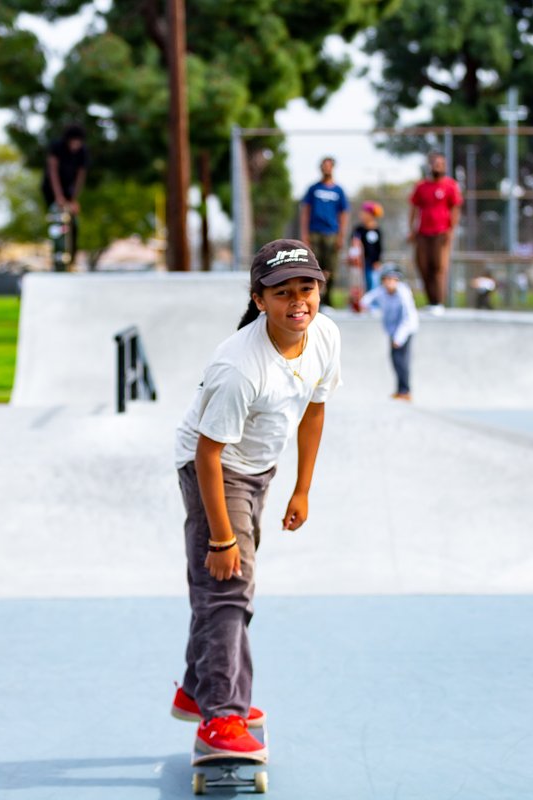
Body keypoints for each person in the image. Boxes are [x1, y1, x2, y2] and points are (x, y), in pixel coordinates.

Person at [170, 239, 341, 759]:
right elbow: (207, 455)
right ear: (259, 298)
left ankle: (196, 689)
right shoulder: (239, 367)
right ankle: (221, 716)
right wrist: (221, 536)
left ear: (320, 288)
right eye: (282, 292)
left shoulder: (325, 335)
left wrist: (302, 487)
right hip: (216, 472)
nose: (298, 302)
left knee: (223, 585)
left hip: (257, 471)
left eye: (306, 288)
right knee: (228, 587)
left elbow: (315, 410)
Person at [408, 152, 462, 314]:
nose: (437, 166)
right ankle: (430, 301)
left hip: (441, 233)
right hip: (423, 233)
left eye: (440, 164)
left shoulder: (450, 185)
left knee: (439, 267)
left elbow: (455, 209)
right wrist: (412, 230)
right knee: (423, 265)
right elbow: (414, 209)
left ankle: (438, 302)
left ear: (444, 166)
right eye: (434, 164)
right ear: (429, 166)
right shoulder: (421, 186)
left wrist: (451, 230)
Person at [360, 264, 419, 400]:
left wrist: (399, 338)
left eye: (393, 280)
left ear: (397, 281)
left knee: (402, 360)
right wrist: (361, 305)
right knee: (394, 359)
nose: (390, 283)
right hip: (392, 330)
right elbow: (368, 299)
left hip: (405, 329)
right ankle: (399, 390)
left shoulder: (403, 294)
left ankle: (406, 391)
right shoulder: (381, 291)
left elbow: (408, 318)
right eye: (387, 280)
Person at [299, 157, 348, 307]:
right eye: (324, 166)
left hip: (332, 233)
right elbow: (306, 211)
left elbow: (343, 214)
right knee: (314, 266)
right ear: (321, 168)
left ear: (333, 168)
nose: (327, 169)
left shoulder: (338, 190)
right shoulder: (313, 189)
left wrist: (341, 236)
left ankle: (328, 298)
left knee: (331, 267)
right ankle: (315, 298)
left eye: (329, 166)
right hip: (315, 232)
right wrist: (305, 234)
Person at [41, 124, 89, 271]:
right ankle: (57, 258)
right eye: (73, 142)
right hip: (51, 190)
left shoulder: (82, 152)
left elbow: (80, 177)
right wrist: (58, 197)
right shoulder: (57, 147)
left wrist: (73, 199)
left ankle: (71, 261)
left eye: (78, 142)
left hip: (68, 192)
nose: (76, 145)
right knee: (57, 222)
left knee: (73, 223)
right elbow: (52, 172)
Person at [349, 201, 384, 296]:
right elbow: (353, 244)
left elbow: (379, 247)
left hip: (372, 262)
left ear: (371, 215)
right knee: (359, 282)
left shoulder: (377, 230)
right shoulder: (358, 229)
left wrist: (377, 261)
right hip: (360, 262)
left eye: (364, 213)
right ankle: (358, 301)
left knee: (372, 281)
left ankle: (372, 302)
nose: (362, 215)